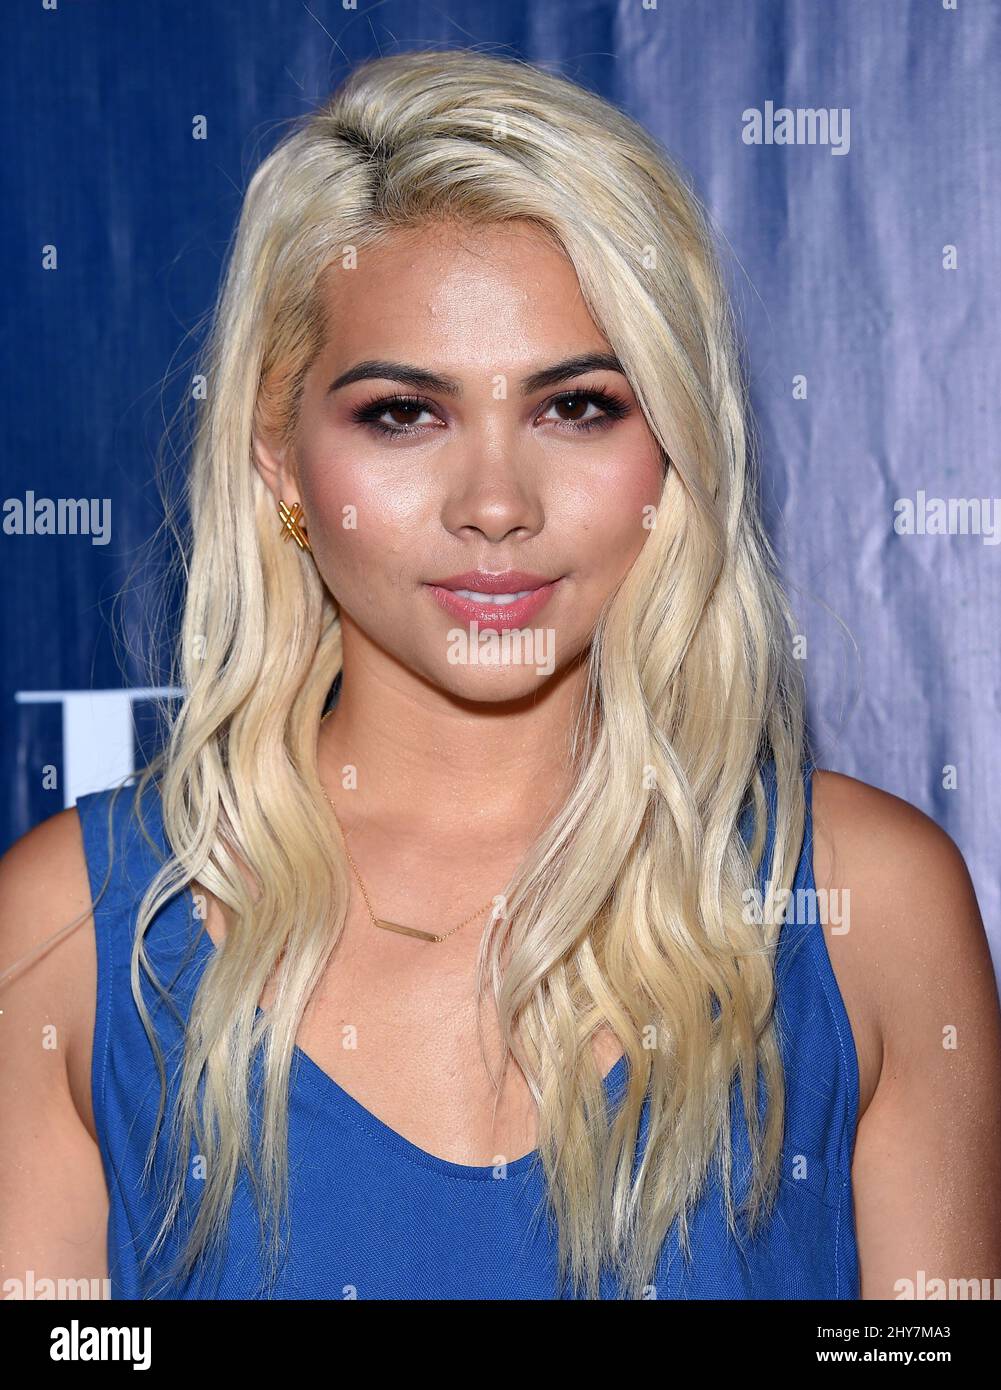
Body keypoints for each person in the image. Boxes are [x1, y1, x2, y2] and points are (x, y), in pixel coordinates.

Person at [1, 48, 999, 1302]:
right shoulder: (68, 934)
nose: (492, 504)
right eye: (401, 412)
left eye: (574, 407)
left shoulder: (867, 907)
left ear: (675, 443)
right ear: (280, 457)